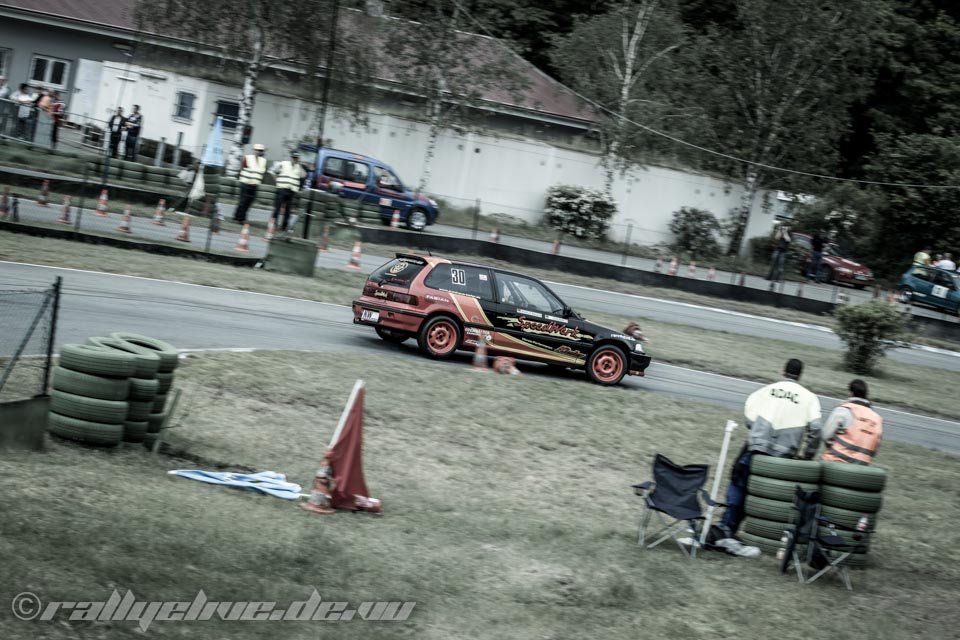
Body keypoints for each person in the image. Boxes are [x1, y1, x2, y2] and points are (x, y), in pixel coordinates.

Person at [713, 358, 822, 557]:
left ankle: (727, 526)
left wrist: (758, 431)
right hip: (783, 456)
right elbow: (816, 429)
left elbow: (748, 416)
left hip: (756, 448)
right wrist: (807, 455)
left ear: (783, 370)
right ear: (800, 375)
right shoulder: (809, 398)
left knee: (739, 484)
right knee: (773, 496)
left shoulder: (765, 390)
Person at [821, 379, 882, 465]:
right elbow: (875, 448)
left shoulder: (844, 409)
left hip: (835, 461)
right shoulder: (877, 418)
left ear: (851, 393)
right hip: (861, 466)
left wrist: (833, 446)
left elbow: (826, 435)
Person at [271, 149, 307, 232]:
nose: (294, 159)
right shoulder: (283, 164)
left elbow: (303, 175)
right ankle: (273, 224)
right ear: (291, 157)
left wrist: (299, 164)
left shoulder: (299, 167)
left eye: (296, 158)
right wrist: (276, 180)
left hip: (291, 191)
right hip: (282, 189)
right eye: (293, 157)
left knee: (288, 210)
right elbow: (272, 171)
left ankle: (284, 226)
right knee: (277, 208)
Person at [234, 143, 267, 223]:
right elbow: (242, 168)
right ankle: (241, 218)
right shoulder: (247, 158)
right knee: (243, 201)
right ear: (254, 150)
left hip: (254, 184)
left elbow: (262, 172)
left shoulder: (263, 161)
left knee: (248, 202)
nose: (259, 152)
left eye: (261, 151)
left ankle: (237, 215)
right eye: (258, 150)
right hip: (245, 183)